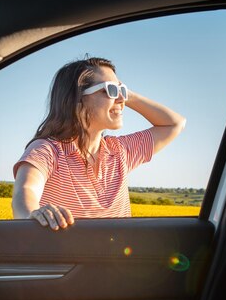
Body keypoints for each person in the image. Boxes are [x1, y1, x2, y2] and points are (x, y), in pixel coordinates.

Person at [12, 56, 186, 230]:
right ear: (77, 99)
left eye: (121, 91)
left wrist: (127, 94)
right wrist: (31, 214)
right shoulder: (48, 150)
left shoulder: (120, 151)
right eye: (109, 90)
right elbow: (26, 191)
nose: (121, 99)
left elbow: (174, 124)